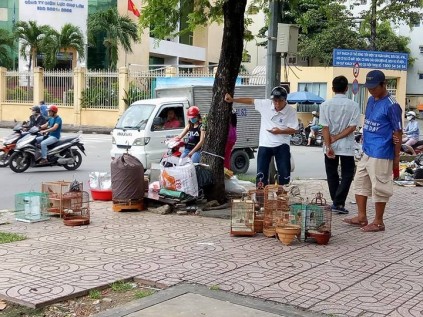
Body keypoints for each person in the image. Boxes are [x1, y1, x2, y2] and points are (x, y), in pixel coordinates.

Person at [343, 70, 402, 232]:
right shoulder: (370, 100)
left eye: (374, 87)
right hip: (367, 149)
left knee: (379, 187)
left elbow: (398, 131)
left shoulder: (392, 105)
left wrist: (396, 157)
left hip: (382, 152)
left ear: (384, 85)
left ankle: (378, 221)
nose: (371, 90)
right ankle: (362, 217)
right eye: (369, 87)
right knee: (360, 182)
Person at [224, 86, 298, 186]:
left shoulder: (291, 111)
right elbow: (250, 101)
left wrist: (280, 131)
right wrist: (233, 100)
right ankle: (261, 197)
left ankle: (282, 197)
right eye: (274, 101)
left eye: (280, 101)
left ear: (285, 100)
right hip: (265, 144)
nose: (277, 103)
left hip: (282, 144)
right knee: (261, 174)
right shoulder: (266, 104)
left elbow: (294, 129)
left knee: (284, 173)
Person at [319, 75, 360, 215]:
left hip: (330, 144)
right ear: (347, 88)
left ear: (332, 88)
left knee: (332, 173)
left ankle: (336, 202)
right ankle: (338, 202)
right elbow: (353, 127)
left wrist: (329, 145)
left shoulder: (325, 105)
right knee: (348, 174)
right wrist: (337, 137)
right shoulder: (353, 105)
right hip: (347, 145)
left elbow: (325, 128)